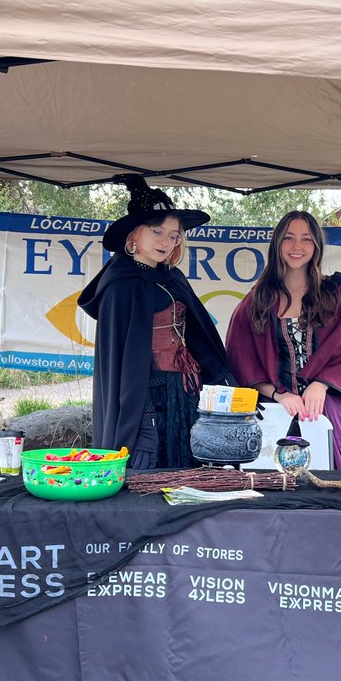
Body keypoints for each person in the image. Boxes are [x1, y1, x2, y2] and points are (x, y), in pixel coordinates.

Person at [77, 176, 232, 469]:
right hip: (146, 401)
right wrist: (133, 413)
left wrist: (224, 381)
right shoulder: (119, 285)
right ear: (134, 235)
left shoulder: (173, 278)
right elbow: (122, 363)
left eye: (174, 235)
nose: (167, 241)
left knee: (188, 471)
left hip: (185, 394)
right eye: (158, 232)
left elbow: (200, 338)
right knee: (149, 471)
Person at [225, 210, 341, 469]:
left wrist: (322, 384)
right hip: (275, 406)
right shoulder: (258, 301)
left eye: (306, 239)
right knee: (271, 481)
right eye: (288, 238)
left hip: (328, 404)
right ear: (277, 244)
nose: (297, 247)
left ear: (316, 245)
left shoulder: (339, 295)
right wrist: (279, 395)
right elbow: (242, 360)